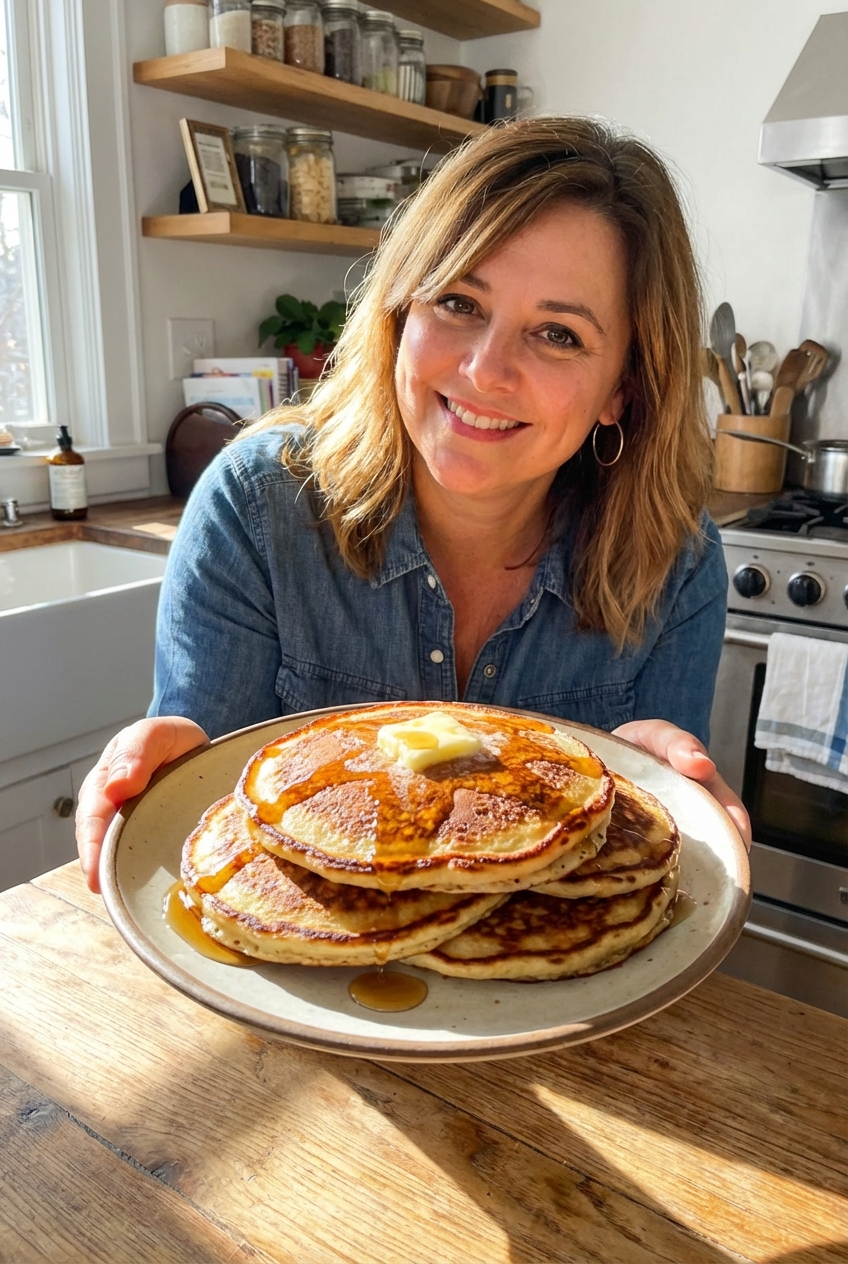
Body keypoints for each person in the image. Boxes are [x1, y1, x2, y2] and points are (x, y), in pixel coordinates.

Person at [76, 116, 750, 892]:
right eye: (460, 302)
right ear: (400, 313)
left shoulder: (677, 558)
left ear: (621, 390)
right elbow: (208, 800)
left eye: (558, 334)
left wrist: (662, 805)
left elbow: (662, 830)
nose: (484, 370)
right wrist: (162, 773)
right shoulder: (258, 508)